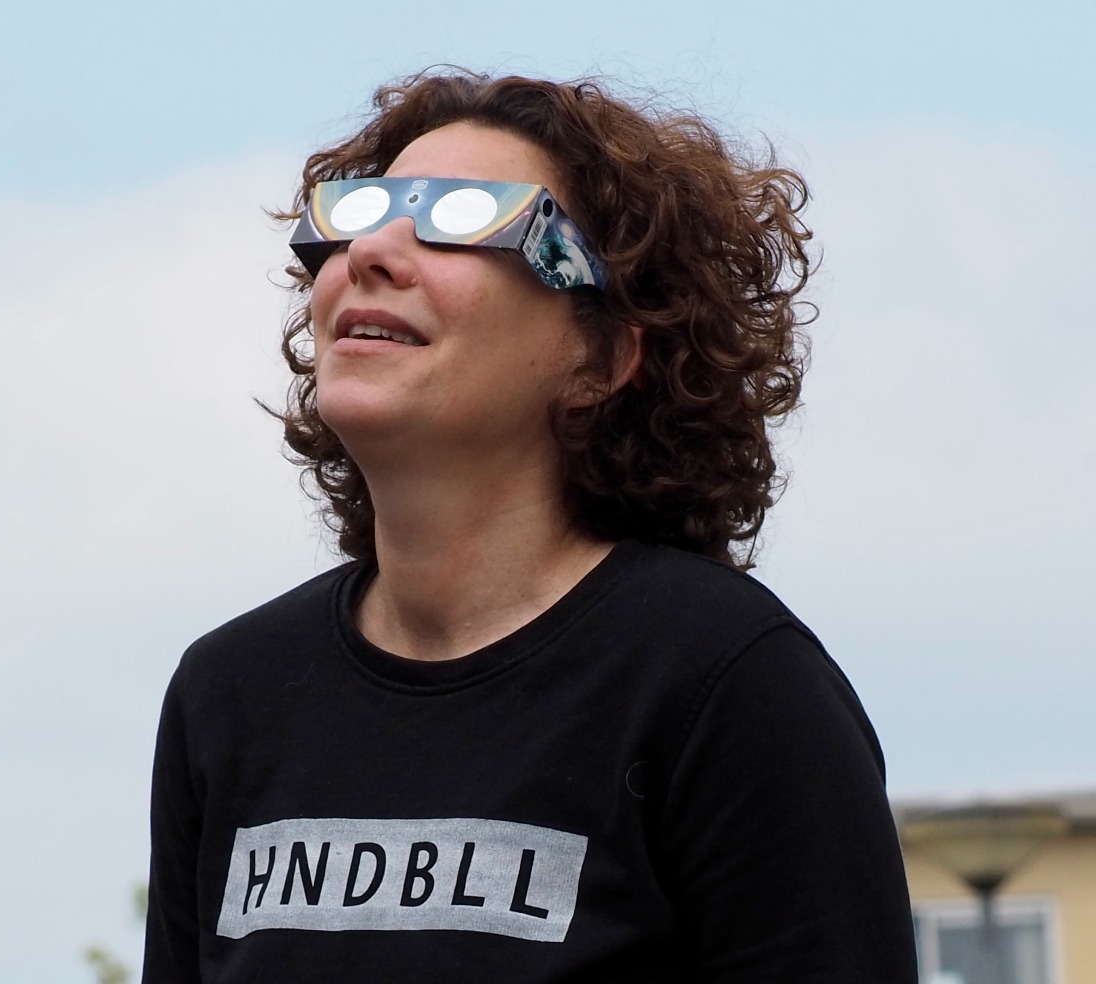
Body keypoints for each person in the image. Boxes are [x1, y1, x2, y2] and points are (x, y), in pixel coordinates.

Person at [142, 69, 917, 983]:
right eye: (357, 216)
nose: (372, 254)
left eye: (463, 221)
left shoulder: (727, 683)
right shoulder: (229, 694)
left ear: (605, 354)